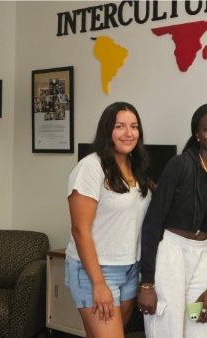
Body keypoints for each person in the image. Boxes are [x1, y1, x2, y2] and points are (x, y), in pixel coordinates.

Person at [138, 104, 207, 338]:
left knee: (200, 328)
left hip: (203, 257)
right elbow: (153, 223)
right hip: (170, 254)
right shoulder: (180, 165)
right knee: (167, 328)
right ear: (197, 134)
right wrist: (147, 283)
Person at [65, 102, 154, 338]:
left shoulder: (138, 167)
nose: (129, 133)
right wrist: (98, 283)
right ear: (107, 131)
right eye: (120, 126)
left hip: (130, 268)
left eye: (134, 126)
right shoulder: (91, 167)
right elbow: (79, 230)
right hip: (96, 270)